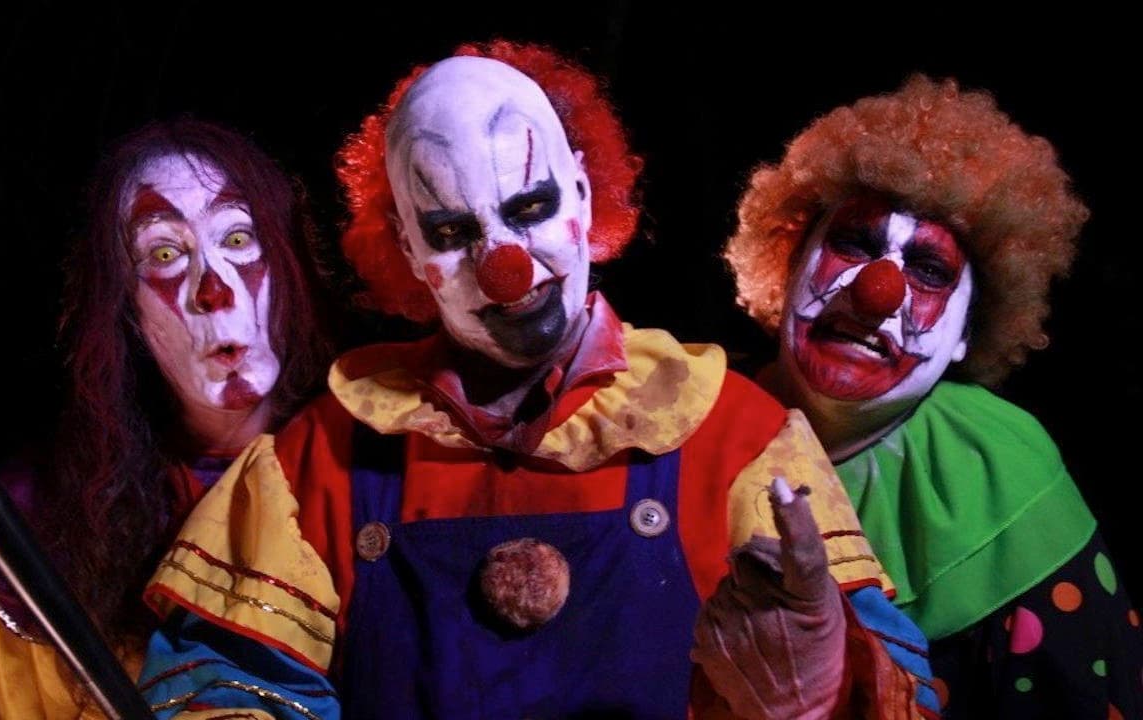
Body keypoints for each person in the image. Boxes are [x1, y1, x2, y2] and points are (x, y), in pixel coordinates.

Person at [139, 42, 930, 719]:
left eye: (530, 206)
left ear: (582, 193)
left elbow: (904, 694)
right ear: (408, 249)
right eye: (452, 231)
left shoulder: (737, 436)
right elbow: (222, 684)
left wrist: (824, 675)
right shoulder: (319, 460)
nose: (505, 266)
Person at [724, 75, 1142, 718]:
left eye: (928, 270)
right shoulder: (688, 407)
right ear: (789, 260)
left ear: (967, 332)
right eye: (853, 243)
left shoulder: (1001, 469)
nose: (876, 292)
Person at [0, 118, 332, 719]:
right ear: (128, 314)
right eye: (165, 253)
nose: (213, 289)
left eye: (239, 238)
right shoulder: (31, 528)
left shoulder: (367, 465)